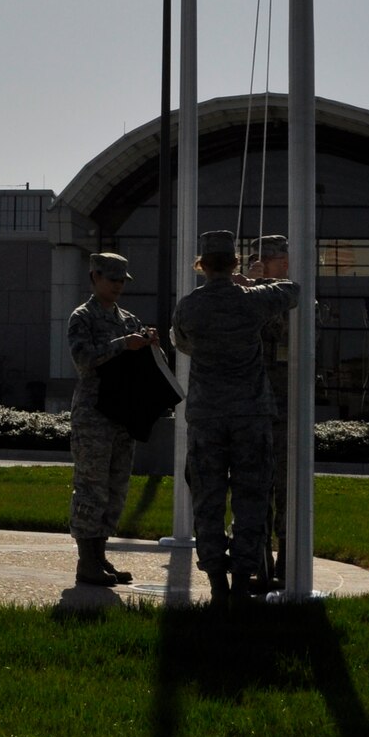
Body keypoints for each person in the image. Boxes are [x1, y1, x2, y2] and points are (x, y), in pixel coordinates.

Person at [172, 229, 299, 603]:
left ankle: (217, 585)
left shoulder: (189, 306)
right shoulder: (253, 300)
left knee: (208, 502)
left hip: (207, 416)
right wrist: (255, 283)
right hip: (250, 415)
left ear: (202, 265)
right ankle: (244, 581)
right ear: (234, 263)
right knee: (252, 500)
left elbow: (182, 344)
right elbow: (292, 291)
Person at [68, 251, 160, 588]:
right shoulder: (83, 317)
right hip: (94, 415)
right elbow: (83, 359)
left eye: (122, 280)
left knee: (116, 488)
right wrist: (124, 344)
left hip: (123, 414)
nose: (118, 285)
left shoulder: (128, 319)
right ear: (94, 277)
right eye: (112, 279)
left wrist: (150, 345)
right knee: (91, 487)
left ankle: (100, 554)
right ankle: (86, 560)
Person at [250, 233, 292, 588]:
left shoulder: (292, 299)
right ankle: (258, 559)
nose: (283, 265)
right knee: (255, 487)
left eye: (283, 259)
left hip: (286, 408)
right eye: (276, 260)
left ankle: (286, 559)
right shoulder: (246, 300)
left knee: (286, 487)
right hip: (252, 406)